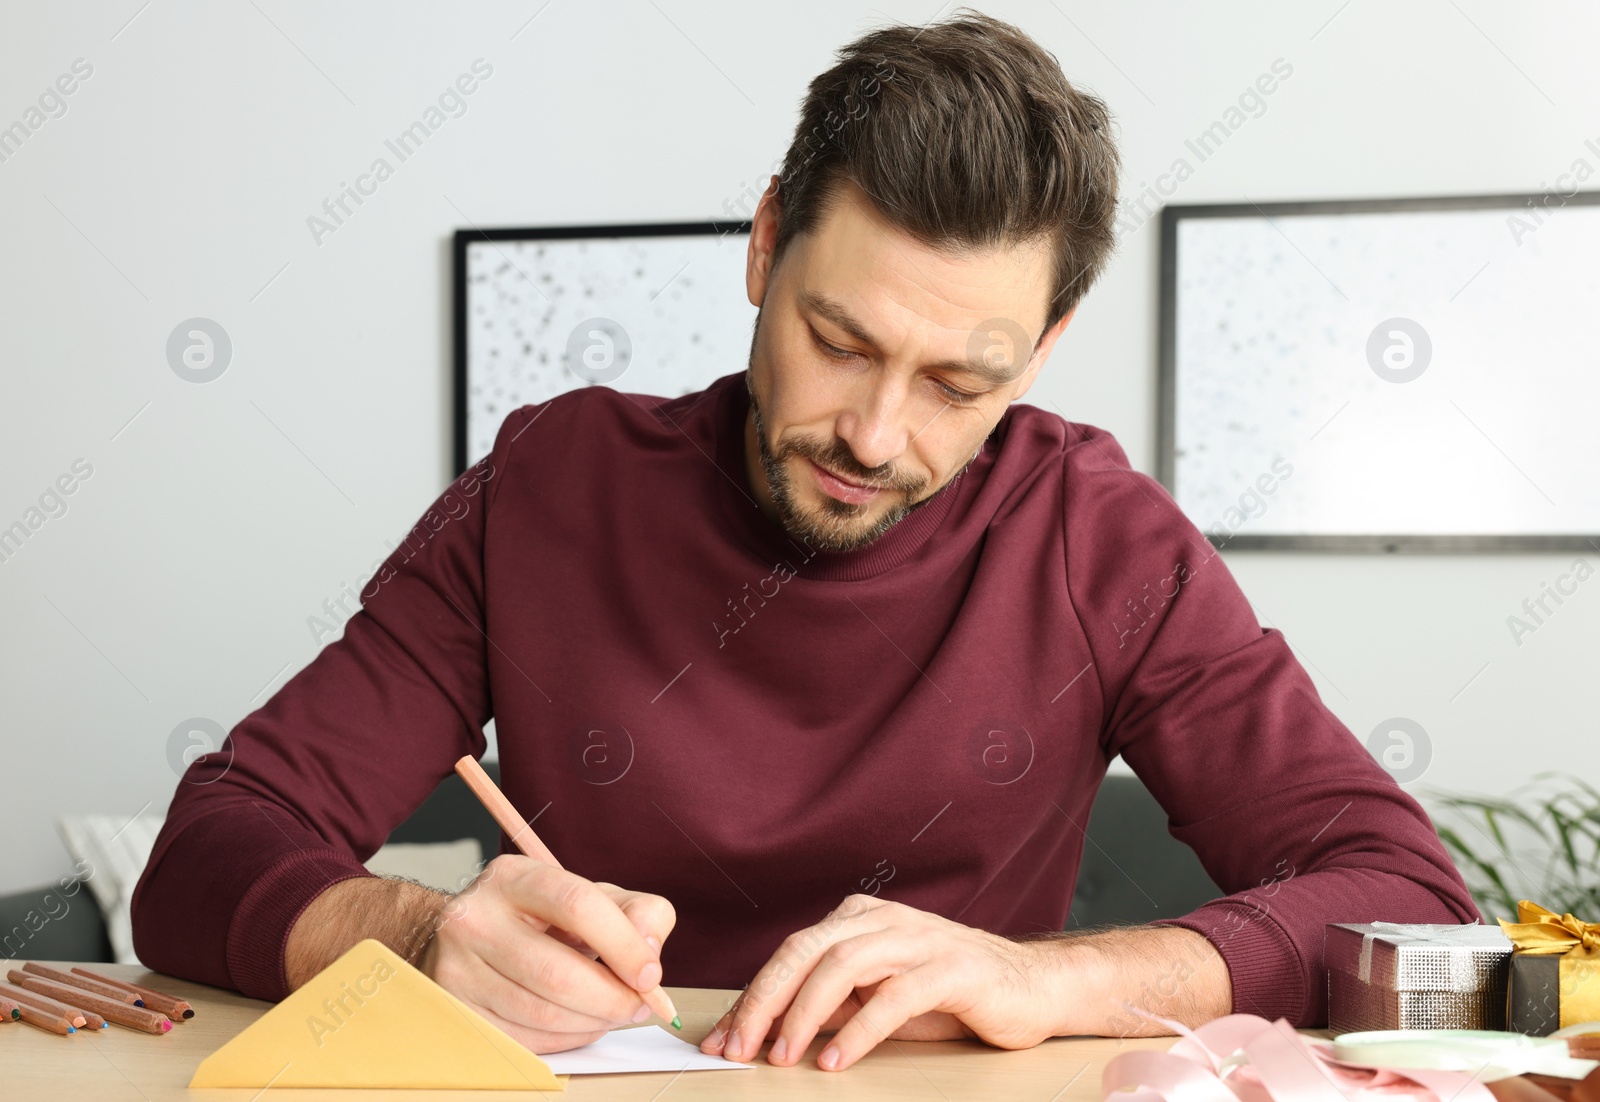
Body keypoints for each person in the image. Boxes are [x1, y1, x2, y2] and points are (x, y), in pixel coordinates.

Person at [132, 8, 1477, 1073]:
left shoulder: (1102, 540)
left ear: (1045, 348)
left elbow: (1410, 899)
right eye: (841, 343)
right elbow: (207, 853)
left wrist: (1048, 976)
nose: (878, 435)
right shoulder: (551, 483)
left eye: (960, 380)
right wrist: (421, 935)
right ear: (768, 241)